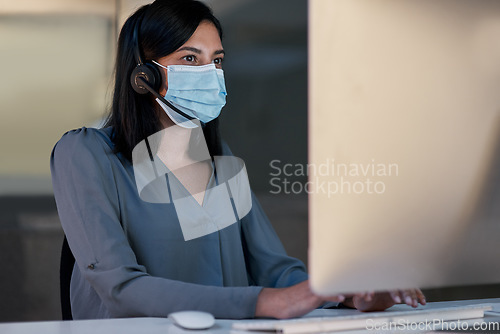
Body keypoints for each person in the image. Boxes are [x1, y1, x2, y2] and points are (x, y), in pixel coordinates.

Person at [50, 0, 425, 320]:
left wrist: (345, 294)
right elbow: (120, 287)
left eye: (216, 60)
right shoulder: (85, 153)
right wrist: (264, 302)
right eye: (189, 58)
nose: (209, 73)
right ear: (144, 75)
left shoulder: (218, 159)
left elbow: (276, 272)